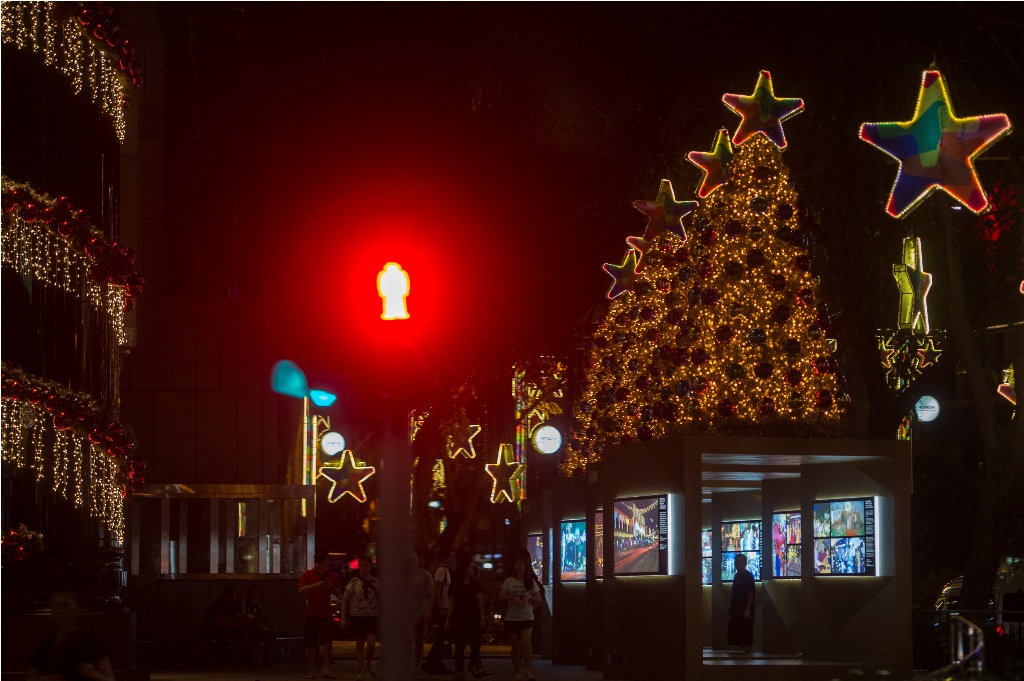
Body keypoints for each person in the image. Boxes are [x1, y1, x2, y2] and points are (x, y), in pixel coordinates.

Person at [28, 590, 116, 681]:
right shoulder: (45, 645)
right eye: (54, 605)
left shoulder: (91, 642)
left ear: (79, 609)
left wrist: (95, 675)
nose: (59, 611)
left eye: (65, 605)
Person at [499, 550, 542, 681]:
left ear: (526, 566)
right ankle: (517, 671)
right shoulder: (509, 581)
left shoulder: (530, 581)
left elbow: (539, 599)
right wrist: (512, 598)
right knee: (515, 645)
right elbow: (501, 597)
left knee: (526, 643)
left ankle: (528, 671)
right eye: (516, 564)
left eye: (521, 564)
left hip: (527, 616)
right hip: (512, 617)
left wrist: (528, 598)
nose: (518, 566)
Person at [299, 551, 342, 679]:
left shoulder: (330, 576)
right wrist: (316, 585)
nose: (324, 567)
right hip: (311, 614)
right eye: (322, 564)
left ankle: (326, 669)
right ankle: (312, 670)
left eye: (326, 565)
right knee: (310, 643)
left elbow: (339, 593)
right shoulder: (308, 575)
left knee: (328, 642)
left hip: (326, 614)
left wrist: (330, 586)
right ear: (316, 563)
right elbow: (301, 591)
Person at [341, 556, 381, 681]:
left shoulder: (376, 582)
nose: (363, 568)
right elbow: (344, 600)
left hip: (371, 616)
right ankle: (361, 670)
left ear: (370, 567)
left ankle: (368, 664)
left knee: (371, 642)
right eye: (361, 565)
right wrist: (343, 617)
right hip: (357, 616)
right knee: (359, 643)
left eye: (366, 565)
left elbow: (382, 598)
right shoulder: (354, 582)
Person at [450, 558, 489, 680]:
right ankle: (460, 669)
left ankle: (472, 665)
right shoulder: (454, 585)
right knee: (460, 645)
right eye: (470, 567)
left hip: (473, 618)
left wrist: (482, 617)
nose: (472, 569)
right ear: (465, 569)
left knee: (475, 644)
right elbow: (451, 603)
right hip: (459, 618)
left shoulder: (474, 584)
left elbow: (479, 602)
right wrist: (448, 618)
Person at [421, 546, 455, 675]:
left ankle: (437, 663)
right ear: (445, 558)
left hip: (445, 606)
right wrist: (441, 608)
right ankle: (429, 661)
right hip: (442, 607)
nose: (453, 558)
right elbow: (436, 589)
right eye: (451, 556)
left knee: (443, 635)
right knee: (442, 635)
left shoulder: (446, 570)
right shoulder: (441, 570)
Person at [203, 585, 246, 664]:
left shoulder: (232, 605)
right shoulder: (218, 605)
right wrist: (233, 625)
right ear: (230, 595)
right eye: (235, 594)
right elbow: (217, 622)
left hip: (224, 627)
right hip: (210, 629)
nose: (236, 597)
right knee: (222, 634)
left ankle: (244, 657)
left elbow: (238, 616)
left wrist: (243, 623)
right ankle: (224, 658)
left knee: (242, 633)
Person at [411, 551, 435, 675]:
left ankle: (415, 668)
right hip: (407, 614)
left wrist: (428, 612)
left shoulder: (425, 575)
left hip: (421, 612)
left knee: (420, 641)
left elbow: (431, 594)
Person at [240, 585, 277, 667]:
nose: (254, 596)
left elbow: (262, 617)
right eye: (252, 593)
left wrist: (272, 627)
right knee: (253, 635)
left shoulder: (256, 604)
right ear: (248, 593)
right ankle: (251, 660)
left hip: (255, 628)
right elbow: (243, 617)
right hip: (246, 629)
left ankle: (265, 660)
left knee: (271, 635)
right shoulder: (242, 603)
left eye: (256, 594)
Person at [727, 553, 755, 654]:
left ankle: (748, 654)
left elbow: (751, 593)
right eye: (736, 560)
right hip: (736, 611)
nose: (737, 562)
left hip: (744, 611)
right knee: (734, 634)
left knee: (746, 633)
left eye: (740, 560)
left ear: (745, 563)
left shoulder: (748, 576)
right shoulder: (736, 576)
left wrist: (747, 609)